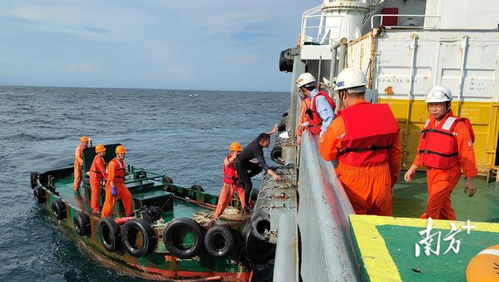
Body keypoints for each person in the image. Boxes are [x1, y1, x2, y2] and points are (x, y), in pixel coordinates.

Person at [319, 67, 401, 216]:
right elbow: (396, 155)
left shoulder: (340, 123)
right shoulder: (387, 117)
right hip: (382, 178)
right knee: (381, 225)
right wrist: (392, 180)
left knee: (356, 228)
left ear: (343, 94)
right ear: (363, 91)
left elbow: (326, 154)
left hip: (353, 182)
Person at [404, 85, 477, 220]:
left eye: (438, 105)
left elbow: (467, 154)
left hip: (448, 173)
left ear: (448, 105)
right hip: (431, 172)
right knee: (443, 207)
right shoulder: (429, 123)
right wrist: (413, 167)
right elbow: (423, 148)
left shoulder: (458, 126)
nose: (433, 109)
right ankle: (453, 230)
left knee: (432, 207)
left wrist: (469, 179)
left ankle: (423, 233)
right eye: (431, 105)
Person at [235, 126, 282, 211]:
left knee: (258, 169)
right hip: (240, 164)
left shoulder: (258, 140)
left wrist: (272, 132)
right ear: (262, 142)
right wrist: (274, 175)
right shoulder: (257, 150)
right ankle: (245, 206)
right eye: (268, 142)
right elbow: (264, 165)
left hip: (244, 161)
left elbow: (265, 135)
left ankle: (243, 179)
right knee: (249, 185)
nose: (269, 143)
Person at [296, 73, 336, 137]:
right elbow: (319, 119)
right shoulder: (314, 99)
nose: (300, 92)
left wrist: (322, 134)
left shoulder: (319, 99)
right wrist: (306, 124)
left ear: (303, 89)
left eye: (300, 90)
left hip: (325, 138)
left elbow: (329, 117)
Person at [213, 142, 246, 218]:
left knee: (246, 201)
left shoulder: (240, 159)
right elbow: (227, 164)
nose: (239, 153)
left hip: (238, 184)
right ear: (232, 152)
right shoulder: (227, 158)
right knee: (222, 203)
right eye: (237, 151)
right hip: (228, 184)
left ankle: (247, 216)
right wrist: (234, 157)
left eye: (239, 151)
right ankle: (216, 217)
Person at [101, 145, 133, 218]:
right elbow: (111, 177)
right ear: (117, 154)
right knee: (109, 202)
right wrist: (113, 188)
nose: (123, 155)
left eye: (124, 153)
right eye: (122, 154)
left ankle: (129, 214)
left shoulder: (122, 162)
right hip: (112, 185)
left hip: (120, 184)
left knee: (128, 197)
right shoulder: (112, 164)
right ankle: (104, 217)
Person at [89, 144, 108, 213]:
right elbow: (103, 171)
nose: (104, 152)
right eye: (103, 151)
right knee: (95, 193)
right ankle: (95, 209)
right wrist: (108, 178)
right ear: (99, 152)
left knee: (95, 193)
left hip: (96, 176)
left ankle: (94, 206)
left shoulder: (99, 157)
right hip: (95, 177)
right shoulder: (99, 160)